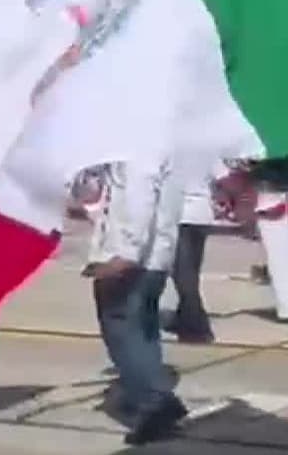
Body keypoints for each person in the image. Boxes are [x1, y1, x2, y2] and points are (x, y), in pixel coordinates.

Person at [87, 157, 188, 444]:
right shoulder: (167, 143)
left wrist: (124, 255)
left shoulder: (139, 150)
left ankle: (154, 403)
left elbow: (137, 200)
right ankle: (154, 396)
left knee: (120, 327)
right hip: (157, 254)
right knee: (144, 329)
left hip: (134, 257)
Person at [166, 167, 223, 344]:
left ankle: (197, 326)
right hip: (201, 211)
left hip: (179, 211)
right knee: (191, 269)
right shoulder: (207, 145)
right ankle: (183, 316)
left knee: (183, 272)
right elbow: (221, 175)